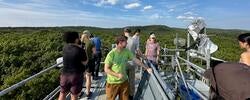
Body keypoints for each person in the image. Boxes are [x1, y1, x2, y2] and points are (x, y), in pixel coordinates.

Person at [104, 35, 152, 100]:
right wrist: (117, 75)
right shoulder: (111, 54)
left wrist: (146, 68)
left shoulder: (126, 51)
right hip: (112, 83)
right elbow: (106, 69)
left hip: (124, 82)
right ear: (120, 43)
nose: (127, 43)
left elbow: (136, 60)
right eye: (125, 42)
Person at [59, 31, 88, 100]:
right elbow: (85, 62)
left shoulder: (64, 48)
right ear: (76, 39)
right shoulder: (80, 50)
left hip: (64, 74)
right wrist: (84, 49)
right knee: (74, 96)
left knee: (62, 93)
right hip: (76, 75)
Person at [123, 28, 138, 99]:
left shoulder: (122, 40)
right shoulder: (134, 40)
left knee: (123, 80)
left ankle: (124, 95)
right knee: (132, 80)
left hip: (124, 63)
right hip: (132, 63)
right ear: (130, 32)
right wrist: (143, 57)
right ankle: (131, 95)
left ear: (124, 32)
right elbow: (137, 51)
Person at [80, 30, 96, 99]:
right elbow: (94, 52)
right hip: (89, 61)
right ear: (89, 35)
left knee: (81, 76)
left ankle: (79, 92)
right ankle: (88, 92)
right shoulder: (91, 42)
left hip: (81, 62)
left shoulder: (80, 42)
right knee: (88, 77)